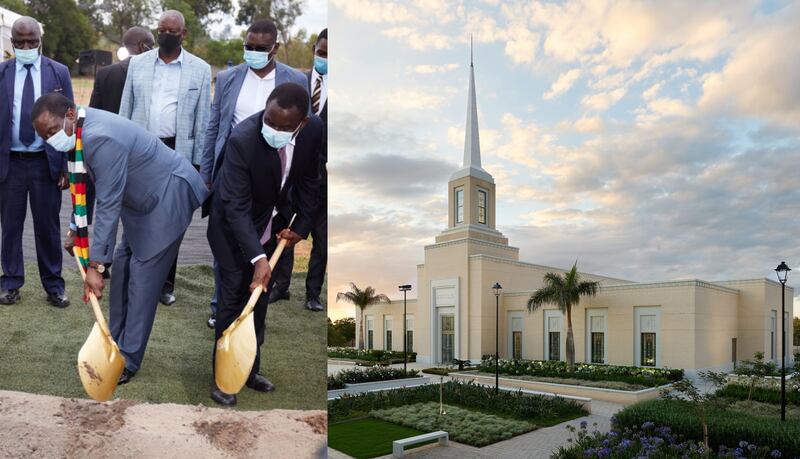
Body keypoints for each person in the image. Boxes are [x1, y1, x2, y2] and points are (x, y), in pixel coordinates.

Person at [31, 93, 208, 385]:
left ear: (71, 115)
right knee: (125, 267)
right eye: (44, 136)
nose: (50, 140)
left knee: (142, 279)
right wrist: (76, 228)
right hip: (142, 200)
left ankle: (128, 359)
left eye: (51, 131)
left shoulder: (100, 138)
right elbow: (84, 186)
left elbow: (108, 204)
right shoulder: (80, 130)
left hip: (168, 196)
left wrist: (96, 266)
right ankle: (113, 340)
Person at [206, 83, 322, 406]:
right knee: (231, 300)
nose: (273, 129)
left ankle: (249, 368)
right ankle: (223, 377)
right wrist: (258, 259)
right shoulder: (243, 140)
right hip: (232, 229)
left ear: (303, 123)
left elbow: (312, 181)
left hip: (273, 225)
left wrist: (300, 226)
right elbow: (235, 207)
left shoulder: (314, 134)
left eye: (284, 126)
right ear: (265, 110)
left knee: (259, 302)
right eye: (269, 121)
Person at [200, 19, 307, 329]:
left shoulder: (294, 80)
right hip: (232, 173)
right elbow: (214, 126)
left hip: (273, 179)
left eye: (261, 48)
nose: (254, 52)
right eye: (249, 47)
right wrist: (207, 172)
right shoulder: (228, 78)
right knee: (227, 240)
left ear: (274, 48)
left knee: (261, 242)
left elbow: (304, 131)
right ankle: (220, 306)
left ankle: (251, 312)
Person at [119, 10, 211, 307]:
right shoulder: (138, 64)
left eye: (172, 31)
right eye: (161, 30)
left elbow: (202, 121)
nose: (166, 35)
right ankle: (131, 278)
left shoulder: (200, 69)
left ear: (183, 34)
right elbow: (125, 109)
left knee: (170, 222)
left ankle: (164, 284)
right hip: (141, 151)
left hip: (176, 153)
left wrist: (196, 166)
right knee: (136, 215)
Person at [65, 27, 156, 269]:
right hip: (143, 156)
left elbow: (90, 113)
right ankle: (140, 270)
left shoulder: (105, 74)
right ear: (145, 46)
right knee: (140, 217)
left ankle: (101, 263)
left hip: (103, 153)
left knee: (108, 208)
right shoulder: (155, 74)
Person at [0, 17, 73, 308]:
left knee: (47, 226)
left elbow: (69, 122)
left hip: (46, 163)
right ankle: (10, 283)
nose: (27, 47)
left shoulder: (59, 73)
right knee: (10, 226)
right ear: (12, 43)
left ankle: (54, 285)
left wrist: (66, 165)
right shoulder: (2, 73)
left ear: (40, 39)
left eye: (32, 41)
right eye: (20, 43)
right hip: (11, 164)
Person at [269, 29, 327, 312]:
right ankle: (280, 286)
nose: (324, 58)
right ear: (314, 49)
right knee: (286, 228)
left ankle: (313, 293)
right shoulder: (296, 81)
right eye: (322, 53)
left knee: (322, 237)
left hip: (328, 176)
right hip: (296, 171)